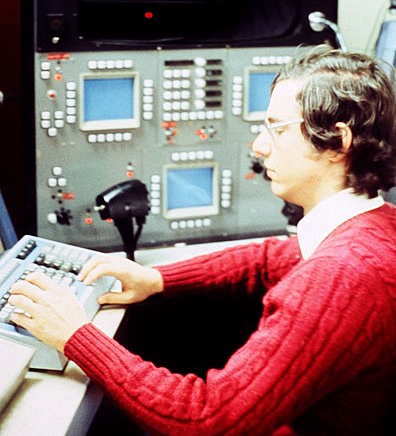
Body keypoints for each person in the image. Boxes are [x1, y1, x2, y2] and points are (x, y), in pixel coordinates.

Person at [9, 44, 396, 436]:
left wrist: (76, 335)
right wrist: (157, 278)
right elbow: (268, 258)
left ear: (336, 142)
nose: (259, 147)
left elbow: (207, 419)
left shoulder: (344, 277)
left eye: (276, 130)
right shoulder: (374, 226)